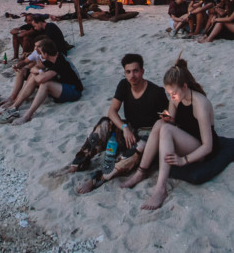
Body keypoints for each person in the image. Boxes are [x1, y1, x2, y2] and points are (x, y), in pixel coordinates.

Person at [121, 58, 219, 210]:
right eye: (169, 94)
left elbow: (208, 146)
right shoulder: (176, 97)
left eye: (173, 93)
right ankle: (141, 171)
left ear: (184, 86)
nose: (171, 97)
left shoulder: (200, 104)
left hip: (201, 149)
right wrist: (159, 112)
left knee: (165, 129)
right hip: (186, 138)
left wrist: (183, 160)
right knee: (160, 124)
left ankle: (161, 189)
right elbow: (170, 120)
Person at [68, 53, 169, 194]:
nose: (132, 75)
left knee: (136, 150)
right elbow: (112, 111)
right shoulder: (124, 85)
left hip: (148, 136)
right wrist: (124, 127)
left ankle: (98, 177)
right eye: (128, 72)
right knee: (105, 123)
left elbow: (168, 119)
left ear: (142, 71)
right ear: (124, 73)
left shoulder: (156, 92)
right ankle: (80, 161)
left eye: (135, 71)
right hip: (129, 129)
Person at [0, 39, 83, 125]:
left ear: (45, 54)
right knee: (33, 77)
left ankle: (27, 116)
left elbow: (39, 78)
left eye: (41, 52)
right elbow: (34, 68)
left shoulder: (60, 62)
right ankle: (14, 107)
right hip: (61, 86)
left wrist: (37, 73)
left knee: (45, 84)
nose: (39, 54)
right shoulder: (51, 58)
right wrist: (38, 72)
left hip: (74, 90)